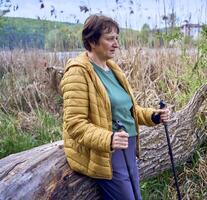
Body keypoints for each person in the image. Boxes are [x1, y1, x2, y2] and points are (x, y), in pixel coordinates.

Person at [60, 14, 170, 200]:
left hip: (128, 146)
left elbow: (128, 109)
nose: (116, 44)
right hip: (106, 153)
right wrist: (108, 139)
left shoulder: (112, 68)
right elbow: (74, 124)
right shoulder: (78, 73)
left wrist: (153, 116)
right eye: (110, 39)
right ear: (92, 41)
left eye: (117, 38)